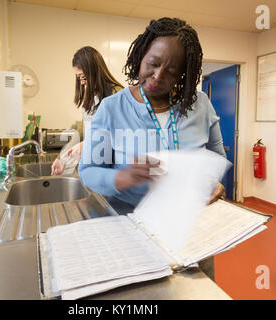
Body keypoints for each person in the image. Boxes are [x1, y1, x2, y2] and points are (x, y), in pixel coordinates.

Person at [78, 17, 227, 281]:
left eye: (171, 71)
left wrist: (214, 182)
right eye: (153, 64)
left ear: (183, 73)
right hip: (132, 232)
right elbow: (88, 170)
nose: (158, 77)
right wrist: (120, 178)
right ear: (141, 56)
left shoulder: (201, 105)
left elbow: (216, 156)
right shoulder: (112, 109)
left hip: (192, 233)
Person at [51, 46, 123, 175]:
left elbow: (122, 136)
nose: (82, 83)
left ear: (95, 72)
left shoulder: (117, 95)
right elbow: (81, 134)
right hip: (94, 167)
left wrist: (89, 144)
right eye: (79, 78)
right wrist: (61, 158)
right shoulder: (90, 97)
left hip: (112, 171)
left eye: (84, 77)